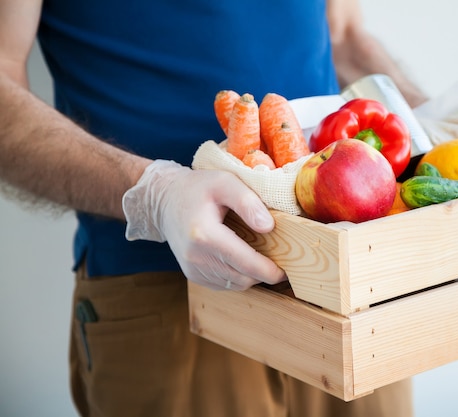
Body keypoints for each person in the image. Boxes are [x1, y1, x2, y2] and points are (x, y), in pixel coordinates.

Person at [0, 0, 427, 416]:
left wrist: (428, 119)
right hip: (166, 295)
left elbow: (344, 34)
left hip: (342, 278)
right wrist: (156, 193)